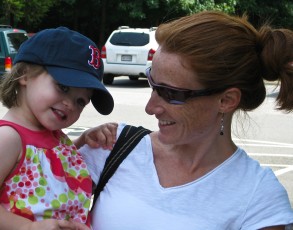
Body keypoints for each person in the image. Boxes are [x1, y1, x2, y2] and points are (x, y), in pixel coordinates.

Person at [78, 11, 293, 229]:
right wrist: (68, 149)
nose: (150, 108)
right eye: (153, 83)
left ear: (227, 100)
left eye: (172, 94)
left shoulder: (260, 199)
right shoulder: (112, 145)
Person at [0, 27, 117, 230]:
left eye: (80, 101)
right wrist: (29, 228)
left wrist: (82, 141)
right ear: (25, 74)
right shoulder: (8, 137)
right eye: (63, 87)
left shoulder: (53, 134)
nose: (70, 104)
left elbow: (49, 166)